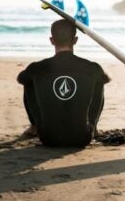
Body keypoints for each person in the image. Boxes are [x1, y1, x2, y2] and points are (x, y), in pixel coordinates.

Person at [17, 19, 110, 147]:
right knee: (99, 81)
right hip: (82, 137)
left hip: (48, 138)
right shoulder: (91, 67)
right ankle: (93, 127)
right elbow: (107, 79)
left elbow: (21, 79)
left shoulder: (37, 67)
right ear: (75, 40)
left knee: (29, 81)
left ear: (52, 40)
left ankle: (34, 126)